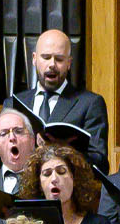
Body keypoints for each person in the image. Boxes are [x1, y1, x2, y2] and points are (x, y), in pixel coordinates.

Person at [9, 29, 111, 172]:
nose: (52, 64)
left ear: (69, 63)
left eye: (59, 59)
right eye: (46, 57)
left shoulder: (90, 103)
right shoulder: (14, 104)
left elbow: (99, 163)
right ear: (34, 59)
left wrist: (63, 150)